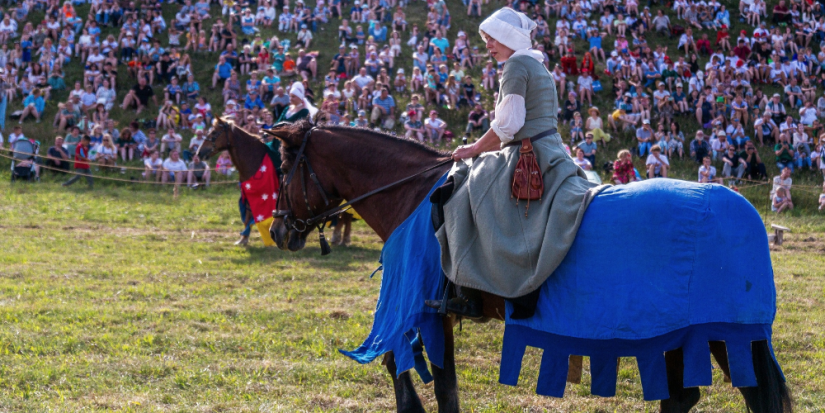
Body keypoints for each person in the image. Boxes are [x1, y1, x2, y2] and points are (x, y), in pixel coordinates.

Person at [429, 8, 599, 319]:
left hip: (527, 155)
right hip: (549, 152)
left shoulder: (517, 65)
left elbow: (508, 124)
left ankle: (468, 293)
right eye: (485, 39)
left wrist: (474, 149)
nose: (488, 45)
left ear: (508, 37)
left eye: (492, 38)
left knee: (461, 191)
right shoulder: (537, 66)